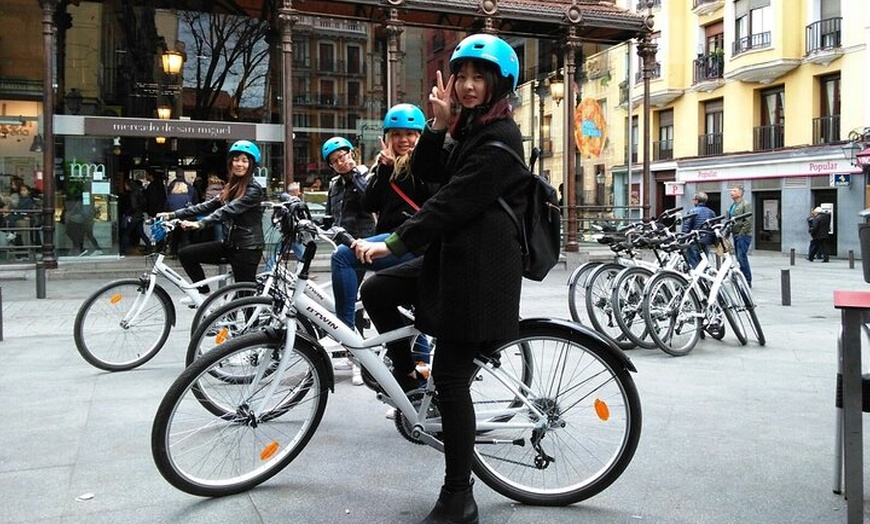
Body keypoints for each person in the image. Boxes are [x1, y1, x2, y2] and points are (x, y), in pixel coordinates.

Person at [353, 33, 528, 524]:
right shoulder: (471, 127)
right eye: (462, 77)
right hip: (454, 259)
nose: (469, 86)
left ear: (499, 83)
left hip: (481, 271)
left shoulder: (499, 138)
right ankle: (408, 373)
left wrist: (392, 242)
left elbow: (447, 203)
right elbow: (428, 172)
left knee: (452, 381)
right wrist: (438, 123)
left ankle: (459, 496)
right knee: (378, 288)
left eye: (479, 77)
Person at [330, 103, 436, 384]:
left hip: (413, 243)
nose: (404, 140)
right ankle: (416, 380)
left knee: (343, 257)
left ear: (420, 135)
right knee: (407, 317)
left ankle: (345, 330)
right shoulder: (385, 165)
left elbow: (431, 200)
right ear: (388, 137)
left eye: (411, 134)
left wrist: (410, 163)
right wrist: (386, 169)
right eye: (398, 134)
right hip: (392, 241)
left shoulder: (427, 162)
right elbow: (370, 203)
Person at [157, 140, 265, 305]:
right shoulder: (231, 186)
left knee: (245, 299)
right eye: (236, 160)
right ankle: (202, 293)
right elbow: (206, 206)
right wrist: (172, 214)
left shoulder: (253, 189)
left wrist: (200, 224)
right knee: (186, 254)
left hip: (247, 249)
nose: (239, 164)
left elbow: (227, 211)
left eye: (244, 160)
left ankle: (255, 329)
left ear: (251, 164)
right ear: (231, 163)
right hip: (230, 245)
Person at [681, 191, 717, 268]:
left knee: (694, 261)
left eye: (694, 199)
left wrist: (682, 240)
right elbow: (714, 226)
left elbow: (686, 227)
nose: (693, 201)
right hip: (706, 240)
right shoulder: (711, 212)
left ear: (697, 200)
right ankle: (704, 277)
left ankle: (696, 277)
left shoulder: (692, 211)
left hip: (695, 240)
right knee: (704, 260)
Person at [165, 172, 197, 256]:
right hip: (185, 219)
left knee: (174, 237)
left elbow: (166, 208)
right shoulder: (187, 197)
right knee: (185, 237)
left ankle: (173, 253)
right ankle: (185, 253)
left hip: (173, 219)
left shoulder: (170, 197)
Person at [728, 185, 752, 287]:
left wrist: (741, 234)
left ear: (740, 193)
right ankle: (742, 277)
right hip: (735, 234)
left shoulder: (745, 204)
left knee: (742, 257)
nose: (731, 192)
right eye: (731, 190)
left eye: (734, 190)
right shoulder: (733, 205)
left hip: (743, 235)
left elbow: (748, 221)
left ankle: (747, 280)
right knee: (739, 257)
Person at [119, 179, 150, 255]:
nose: (124, 187)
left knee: (126, 233)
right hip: (139, 215)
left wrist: (127, 213)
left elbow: (133, 206)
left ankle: (123, 250)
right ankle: (149, 247)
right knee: (141, 232)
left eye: (125, 185)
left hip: (133, 216)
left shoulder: (133, 194)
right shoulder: (139, 192)